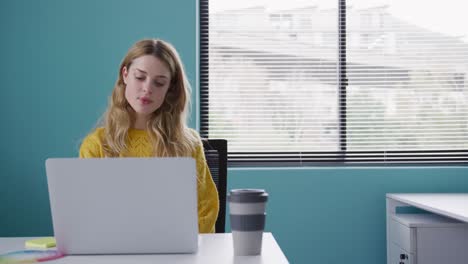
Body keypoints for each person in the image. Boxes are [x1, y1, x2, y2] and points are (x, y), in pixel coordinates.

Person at [79, 39, 219, 233]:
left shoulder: (188, 143)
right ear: (125, 75)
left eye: (159, 83)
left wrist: (182, 244)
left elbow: (206, 208)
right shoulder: (96, 144)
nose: (147, 88)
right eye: (140, 77)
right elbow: (86, 214)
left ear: (169, 88)